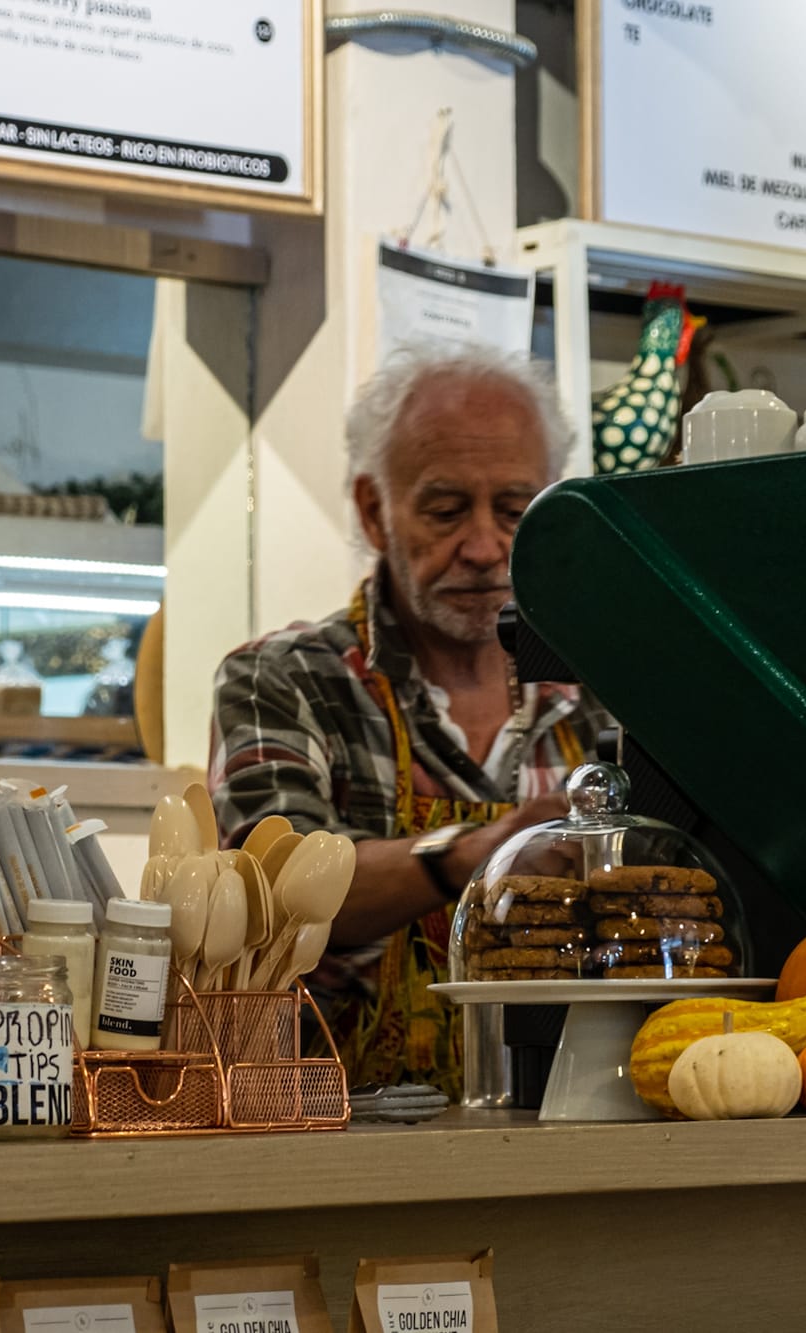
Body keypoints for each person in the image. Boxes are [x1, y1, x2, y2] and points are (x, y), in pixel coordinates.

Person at [208, 343, 600, 1095]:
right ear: (373, 511)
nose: (485, 547)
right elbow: (280, 896)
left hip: (565, 1143)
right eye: (446, 510)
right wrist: (468, 853)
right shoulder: (283, 680)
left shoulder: (600, 695)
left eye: (515, 510)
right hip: (339, 1154)